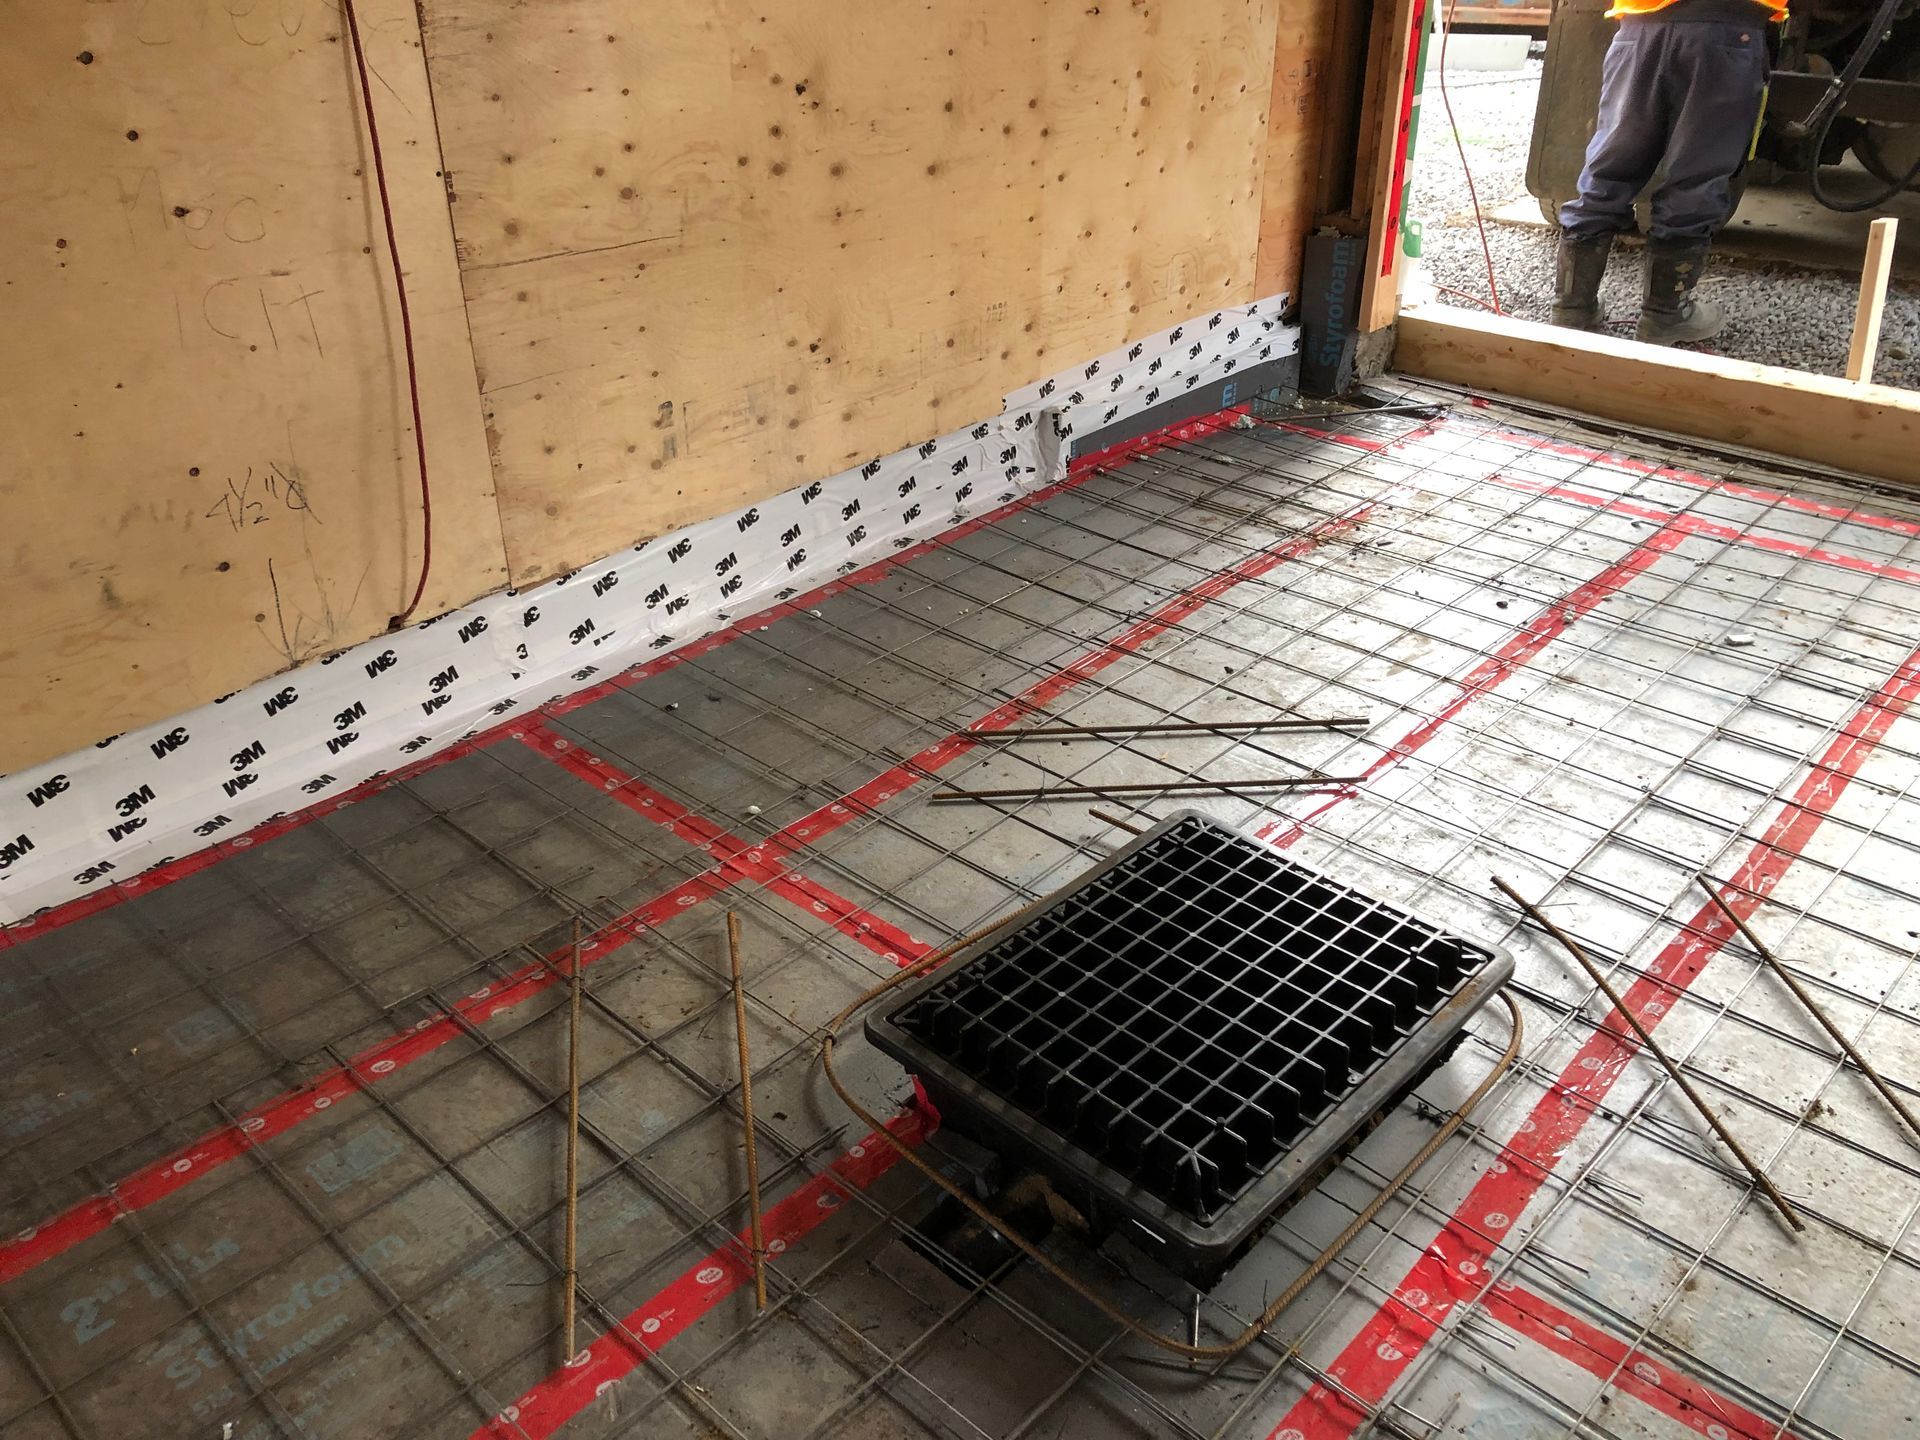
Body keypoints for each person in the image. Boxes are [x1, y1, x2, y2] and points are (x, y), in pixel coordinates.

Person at [1552, 0, 1782, 345]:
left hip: (1638, 28)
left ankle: (1571, 307)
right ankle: (1665, 315)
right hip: (1723, 31)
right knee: (1697, 173)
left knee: (1609, 168)